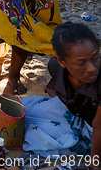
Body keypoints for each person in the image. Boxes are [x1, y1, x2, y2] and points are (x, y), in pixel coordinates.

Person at [22, 22, 101, 158]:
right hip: (79, 114)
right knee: (26, 109)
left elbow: (98, 126)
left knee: (51, 141)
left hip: (96, 126)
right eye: (82, 63)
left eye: (96, 57)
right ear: (61, 62)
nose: (92, 68)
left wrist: (95, 163)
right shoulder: (56, 67)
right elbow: (56, 90)